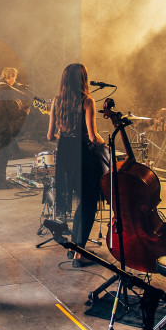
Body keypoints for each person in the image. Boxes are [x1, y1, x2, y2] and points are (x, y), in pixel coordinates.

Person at [47, 63, 106, 267]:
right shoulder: (87, 101)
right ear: (83, 79)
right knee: (89, 204)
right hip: (83, 155)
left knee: (82, 202)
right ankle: (79, 255)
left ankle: (75, 248)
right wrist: (104, 142)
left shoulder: (56, 101)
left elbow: (49, 135)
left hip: (65, 154)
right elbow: (92, 135)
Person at [0, 67, 29, 189]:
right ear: (9, 77)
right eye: (14, 77)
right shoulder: (4, 88)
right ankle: (0, 183)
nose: (14, 80)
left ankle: (0, 181)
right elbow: (10, 111)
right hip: (2, 126)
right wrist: (24, 112)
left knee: (2, 154)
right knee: (3, 155)